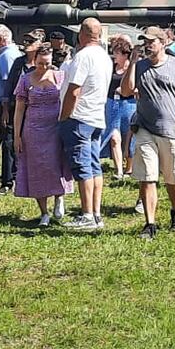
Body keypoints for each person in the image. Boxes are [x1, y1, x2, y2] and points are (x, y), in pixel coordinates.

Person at [125, 27, 175, 238]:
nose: (148, 45)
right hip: (145, 129)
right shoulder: (140, 66)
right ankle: (150, 224)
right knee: (148, 177)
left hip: (171, 130)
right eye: (145, 41)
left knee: (172, 178)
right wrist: (133, 63)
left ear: (163, 42)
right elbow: (127, 90)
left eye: (151, 41)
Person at [57, 19, 112, 230]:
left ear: (82, 34)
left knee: (83, 167)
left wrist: (64, 115)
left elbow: (73, 90)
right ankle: (96, 213)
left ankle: (87, 214)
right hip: (97, 117)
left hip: (79, 118)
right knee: (94, 165)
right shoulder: (105, 57)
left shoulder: (83, 56)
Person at [12, 43, 70, 226]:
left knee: (56, 163)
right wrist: (17, 135)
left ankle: (59, 196)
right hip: (33, 129)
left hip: (55, 128)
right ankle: (43, 212)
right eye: (40, 64)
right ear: (34, 61)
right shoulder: (25, 80)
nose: (44, 67)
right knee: (36, 168)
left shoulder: (60, 76)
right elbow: (19, 109)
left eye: (47, 63)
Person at [0, 24, 23, 193]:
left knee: (8, 141)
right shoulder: (7, 54)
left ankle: (9, 179)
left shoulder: (8, 56)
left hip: (5, 107)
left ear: (1, 39)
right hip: (3, 105)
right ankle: (11, 175)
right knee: (8, 140)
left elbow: (10, 83)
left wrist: (6, 108)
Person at [104, 33, 136, 176]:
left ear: (125, 55)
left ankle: (129, 166)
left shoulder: (133, 67)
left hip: (129, 104)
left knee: (128, 136)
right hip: (113, 104)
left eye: (117, 53)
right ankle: (119, 170)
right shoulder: (111, 67)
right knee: (114, 137)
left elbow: (138, 86)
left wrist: (127, 90)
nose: (114, 56)